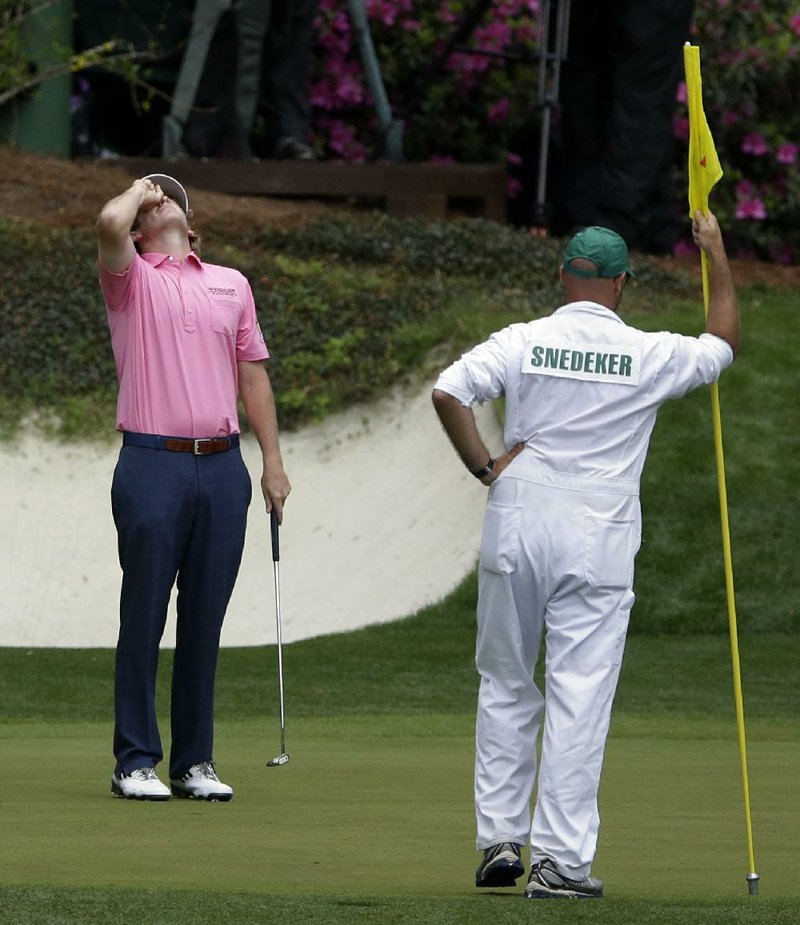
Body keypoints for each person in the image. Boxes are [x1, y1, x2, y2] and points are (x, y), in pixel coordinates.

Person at [432, 210, 738, 898]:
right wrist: (715, 251)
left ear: (562, 275)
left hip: (519, 515)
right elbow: (722, 341)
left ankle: (500, 841)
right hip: (597, 532)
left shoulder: (524, 338)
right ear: (623, 284)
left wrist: (485, 466)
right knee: (580, 693)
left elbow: (449, 390)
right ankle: (559, 862)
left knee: (507, 679)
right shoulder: (648, 351)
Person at [96, 173, 291, 801]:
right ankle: (135, 760)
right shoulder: (132, 278)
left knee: (204, 621)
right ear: (140, 226)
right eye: (151, 201)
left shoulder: (231, 284)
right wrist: (138, 189)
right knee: (144, 614)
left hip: (222, 465)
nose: (161, 199)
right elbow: (106, 225)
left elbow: (253, 378)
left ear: (190, 221)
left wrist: (273, 463)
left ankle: (194, 763)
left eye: (170, 195)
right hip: (153, 463)